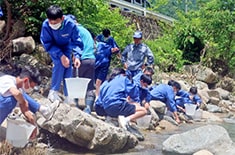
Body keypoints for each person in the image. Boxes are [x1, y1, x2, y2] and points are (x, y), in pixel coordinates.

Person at [40, 5, 83, 103]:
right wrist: (60, 55)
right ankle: (53, 91)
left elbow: (77, 41)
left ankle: (68, 96)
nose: (53, 24)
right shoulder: (46, 25)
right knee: (59, 63)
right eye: (51, 21)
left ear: (62, 18)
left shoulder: (70, 24)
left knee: (68, 67)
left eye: (56, 22)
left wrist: (77, 56)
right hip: (53, 47)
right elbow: (47, 43)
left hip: (66, 46)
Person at [95, 29, 119, 97]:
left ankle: (97, 93)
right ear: (109, 34)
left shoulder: (99, 38)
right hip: (105, 61)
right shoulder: (110, 39)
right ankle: (98, 94)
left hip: (96, 60)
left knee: (96, 77)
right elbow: (116, 49)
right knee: (100, 79)